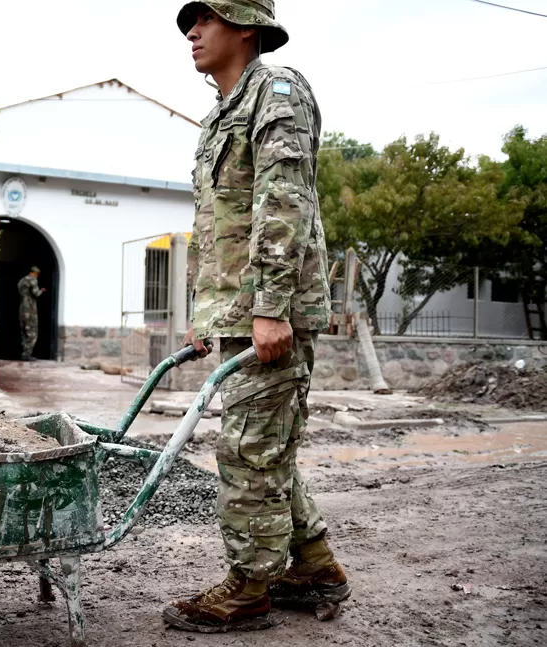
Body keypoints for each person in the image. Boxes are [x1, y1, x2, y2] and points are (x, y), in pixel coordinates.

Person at [162, 0, 349, 633]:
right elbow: (215, 226)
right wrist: (205, 315)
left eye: (205, 18)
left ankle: (249, 589)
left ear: (246, 27)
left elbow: (284, 203)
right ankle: (314, 565)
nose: (191, 31)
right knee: (267, 450)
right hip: (240, 311)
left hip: (274, 313)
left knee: (246, 452)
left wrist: (271, 309)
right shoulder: (220, 114)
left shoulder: (277, 91)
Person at [17, 266, 46, 361]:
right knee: (32, 332)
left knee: (24, 331)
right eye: (37, 275)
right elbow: (36, 293)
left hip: (22, 308)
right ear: (35, 273)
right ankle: (27, 354)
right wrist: (42, 290)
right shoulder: (33, 280)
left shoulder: (21, 281)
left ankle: (23, 352)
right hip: (30, 309)